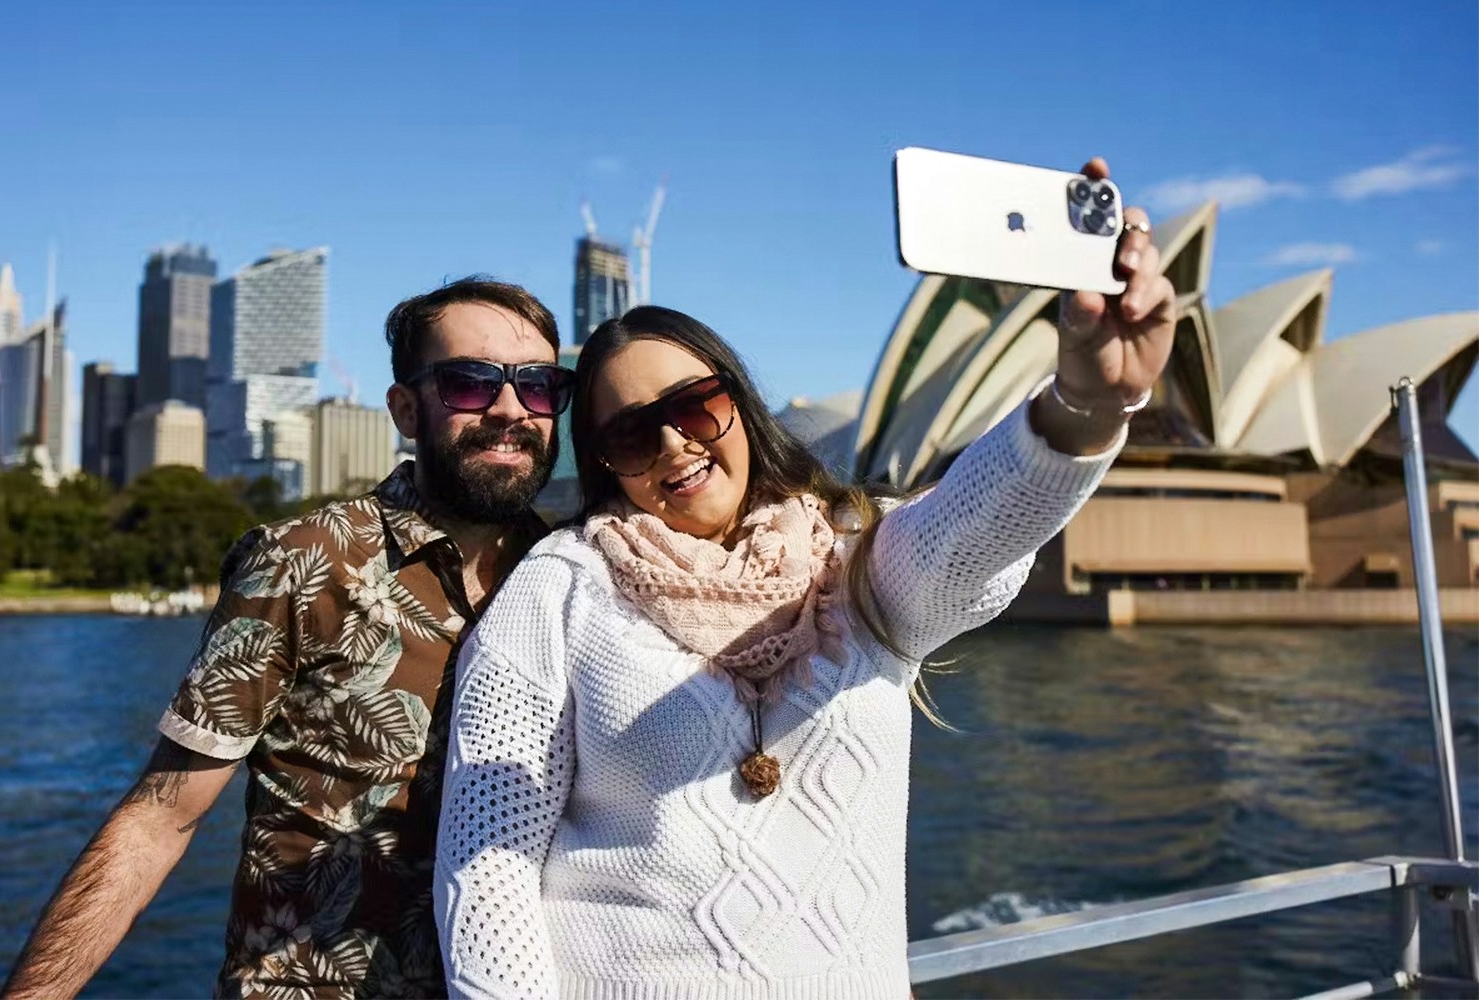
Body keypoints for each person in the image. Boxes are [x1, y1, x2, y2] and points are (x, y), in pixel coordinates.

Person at [434, 160, 1176, 997]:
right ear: (604, 462)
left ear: (741, 405)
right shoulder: (561, 590)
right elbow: (488, 872)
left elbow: (978, 528)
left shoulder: (854, 557)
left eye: (696, 406)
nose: (676, 444)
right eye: (635, 435)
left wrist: (1088, 400)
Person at [2, 277, 574, 999]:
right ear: (404, 409)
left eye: (540, 386)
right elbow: (161, 817)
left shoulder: (571, 574)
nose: (509, 410)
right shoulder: (304, 561)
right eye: (468, 382)